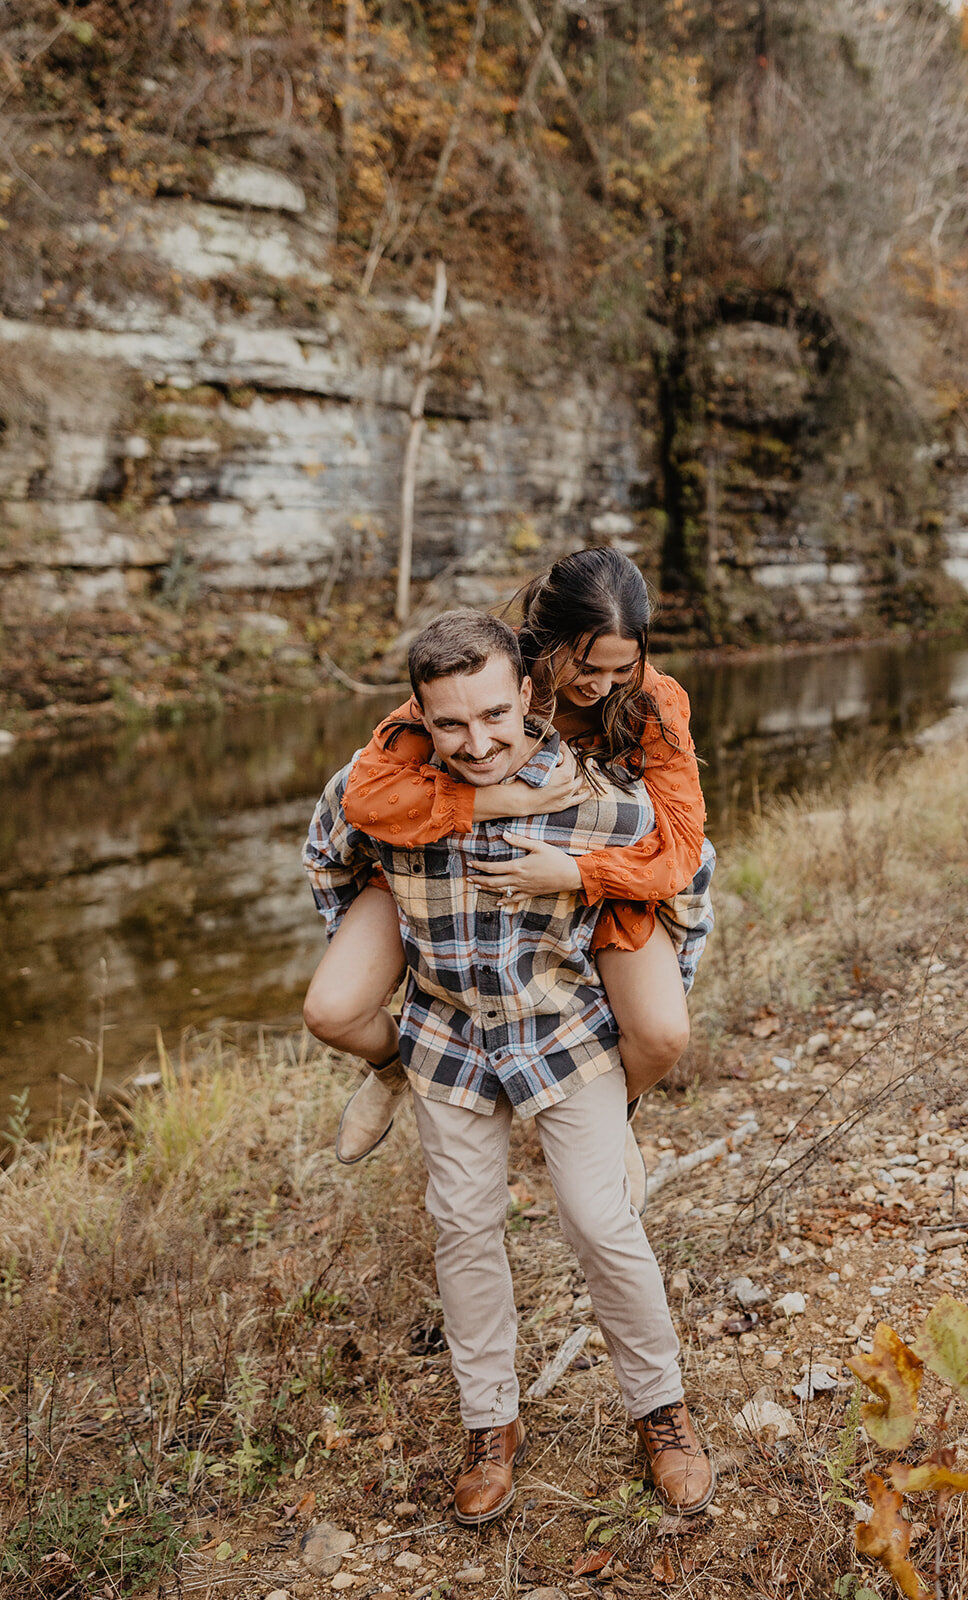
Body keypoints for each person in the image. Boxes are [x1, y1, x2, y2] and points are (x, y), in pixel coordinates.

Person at [303, 610, 715, 1523]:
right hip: (448, 1039)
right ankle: (489, 1425)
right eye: (450, 723)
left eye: (493, 715)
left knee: (599, 1220)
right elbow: (329, 848)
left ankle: (662, 1413)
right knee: (461, 1224)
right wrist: (376, 951)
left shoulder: (595, 795)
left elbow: (681, 878)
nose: (476, 741)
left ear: (528, 695)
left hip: (561, 1034)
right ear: (418, 713)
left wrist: (640, 964)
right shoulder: (381, 787)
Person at [303, 549, 711, 1204]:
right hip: (442, 863)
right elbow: (369, 794)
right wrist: (500, 802)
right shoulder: (484, 674)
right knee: (331, 1009)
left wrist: (575, 873)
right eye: (586, 665)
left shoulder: (652, 704)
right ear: (541, 647)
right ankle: (390, 1069)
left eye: (620, 668)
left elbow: (680, 849)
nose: (601, 687)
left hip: (586, 881)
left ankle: (611, 1116)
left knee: (662, 1034)